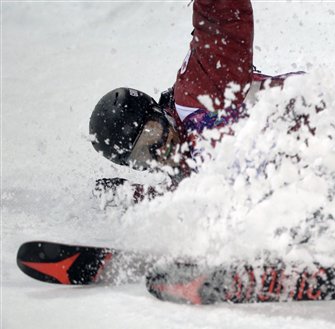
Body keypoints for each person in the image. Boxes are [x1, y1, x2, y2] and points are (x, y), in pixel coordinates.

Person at [90, 0, 302, 202]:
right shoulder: (186, 166)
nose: (159, 152)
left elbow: (224, 21)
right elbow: (194, 198)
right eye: (142, 157)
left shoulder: (199, 91)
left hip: (316, 126)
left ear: (158, 113)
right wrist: (133, 196)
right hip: (298, 184)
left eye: (151, 135)